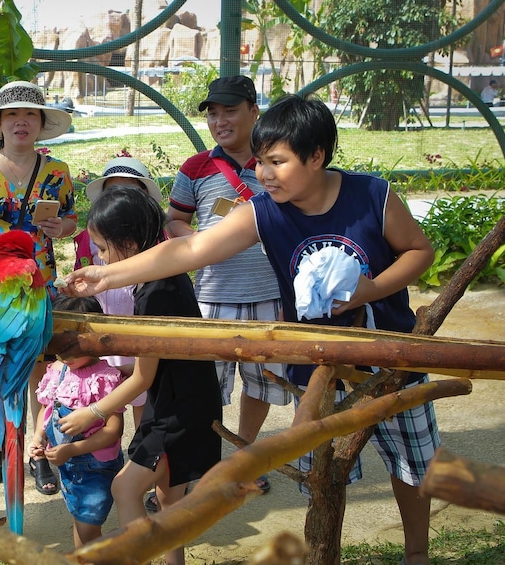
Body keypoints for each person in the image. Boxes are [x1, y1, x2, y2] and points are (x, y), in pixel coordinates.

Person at [64, 94, 439, 565]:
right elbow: (189, 250)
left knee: (411, 463)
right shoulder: (264, 211)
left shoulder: (373, 196)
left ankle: (417, 554)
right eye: (260, 161)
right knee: (324, 472)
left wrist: (371, 290)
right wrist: (108, 275)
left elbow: (419, 251)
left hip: (391, 354)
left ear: (317, 156)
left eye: (277, 162)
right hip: (318, 363)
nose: (263, 173)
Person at [58, 186, 223, 565]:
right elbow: (154, 362)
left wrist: (94, 412)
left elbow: (143, 378)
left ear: (129, 244)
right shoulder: (166, 278)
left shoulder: (154, 294)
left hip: (177, 408)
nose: (99, 257)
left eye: (101, 248)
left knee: (125, 487)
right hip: (187, 396)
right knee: (168, 498)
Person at [164, 75, 290, 497]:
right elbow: (175, 218)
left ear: (254, 110)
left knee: (261, 383)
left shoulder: (278, 163)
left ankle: (244, 455)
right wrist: (197, 245)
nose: (220, 121)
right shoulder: (195, 168)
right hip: (212, 297)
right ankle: (200, 464)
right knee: (202, 389)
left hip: (271, 295)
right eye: (213, 114)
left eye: (229, 111)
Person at [0, 80, 78, 496]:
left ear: (41, 123)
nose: (21, 122)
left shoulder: (56, 171)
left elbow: (71, 222)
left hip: (37, 285)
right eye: (12, 114)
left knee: (38, 372)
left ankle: (37, 451)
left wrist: (58, 227)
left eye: (30, 114)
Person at [28, 295, 126, 548]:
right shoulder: (58, 369)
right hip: (67, 464)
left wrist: (73, 449)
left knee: (87, 527)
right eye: (58, 346)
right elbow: (47, 409)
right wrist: (39, 437)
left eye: (73, 346)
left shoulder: (105, 377)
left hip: (95, 467)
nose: (64, 355)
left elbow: (113, 431)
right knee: (80, 521)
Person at [78, 156, 163, 428]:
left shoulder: (160, 248)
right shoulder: (90, 238)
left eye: (130, 191)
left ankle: (140, 449)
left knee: (141, 400)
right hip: (105, 332)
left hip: (139, 335)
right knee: (109, 401)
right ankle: (109, 457)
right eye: (113, 191)